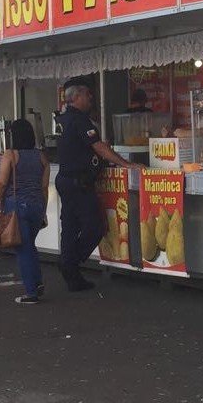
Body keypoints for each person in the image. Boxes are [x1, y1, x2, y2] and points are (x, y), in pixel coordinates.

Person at [55, 77, 145, 292]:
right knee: (95, 228)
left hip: (66, 180)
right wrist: (126, 164)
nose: (91, 98)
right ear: (76, 97)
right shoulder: (80, 120)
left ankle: (71, 273)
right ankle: (70, 264)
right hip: (79, 183)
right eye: (87, 94)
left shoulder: (63, 119)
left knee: (69, 228)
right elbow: (99, 147)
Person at [0, 118, 50, 305]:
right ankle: (36, 283)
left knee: (23, 250)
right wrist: (43, 210)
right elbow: (44, 187)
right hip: (37, 207)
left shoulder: (11, 155)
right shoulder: (41, 156)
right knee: (30, 247)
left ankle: (31, 292)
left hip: (17, 208)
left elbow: (2, 183)